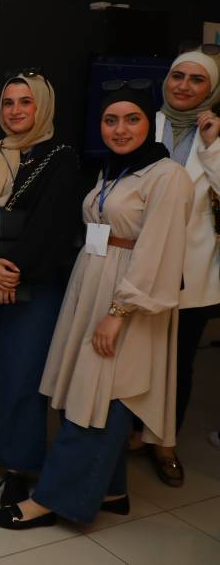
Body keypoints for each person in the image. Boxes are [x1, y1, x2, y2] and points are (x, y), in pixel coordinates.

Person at [0, 84, 192, 530]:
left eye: (132, 119)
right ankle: (112, 491)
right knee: (92, 392)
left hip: (126, 301)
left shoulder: (167, 176)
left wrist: (118, 313)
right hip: (91, 286)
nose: (120, 129)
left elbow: (158, 251)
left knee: (100, 396)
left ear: (150, 123)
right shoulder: (114, 170)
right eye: (110, 120)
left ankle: (53, 499)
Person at [0, 72, 80, 506]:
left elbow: (53, 227)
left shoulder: (61, 159)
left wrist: (13, 272)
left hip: (33, 283)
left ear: (42, 107)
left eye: (26, 102)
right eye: (8, 103)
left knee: (21, 372)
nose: (15, 111)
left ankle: (16, 463)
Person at [140, 48, 220, 486]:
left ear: (212, 89)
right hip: (140, 260)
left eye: (196, 79)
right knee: (137, 355)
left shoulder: (216, 136)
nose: (184, 86)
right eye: (177, 76)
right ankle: (130, 433)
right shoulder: (139, 121)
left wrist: (211, 148)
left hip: (192, 268)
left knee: (178, 361)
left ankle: (164, 443)